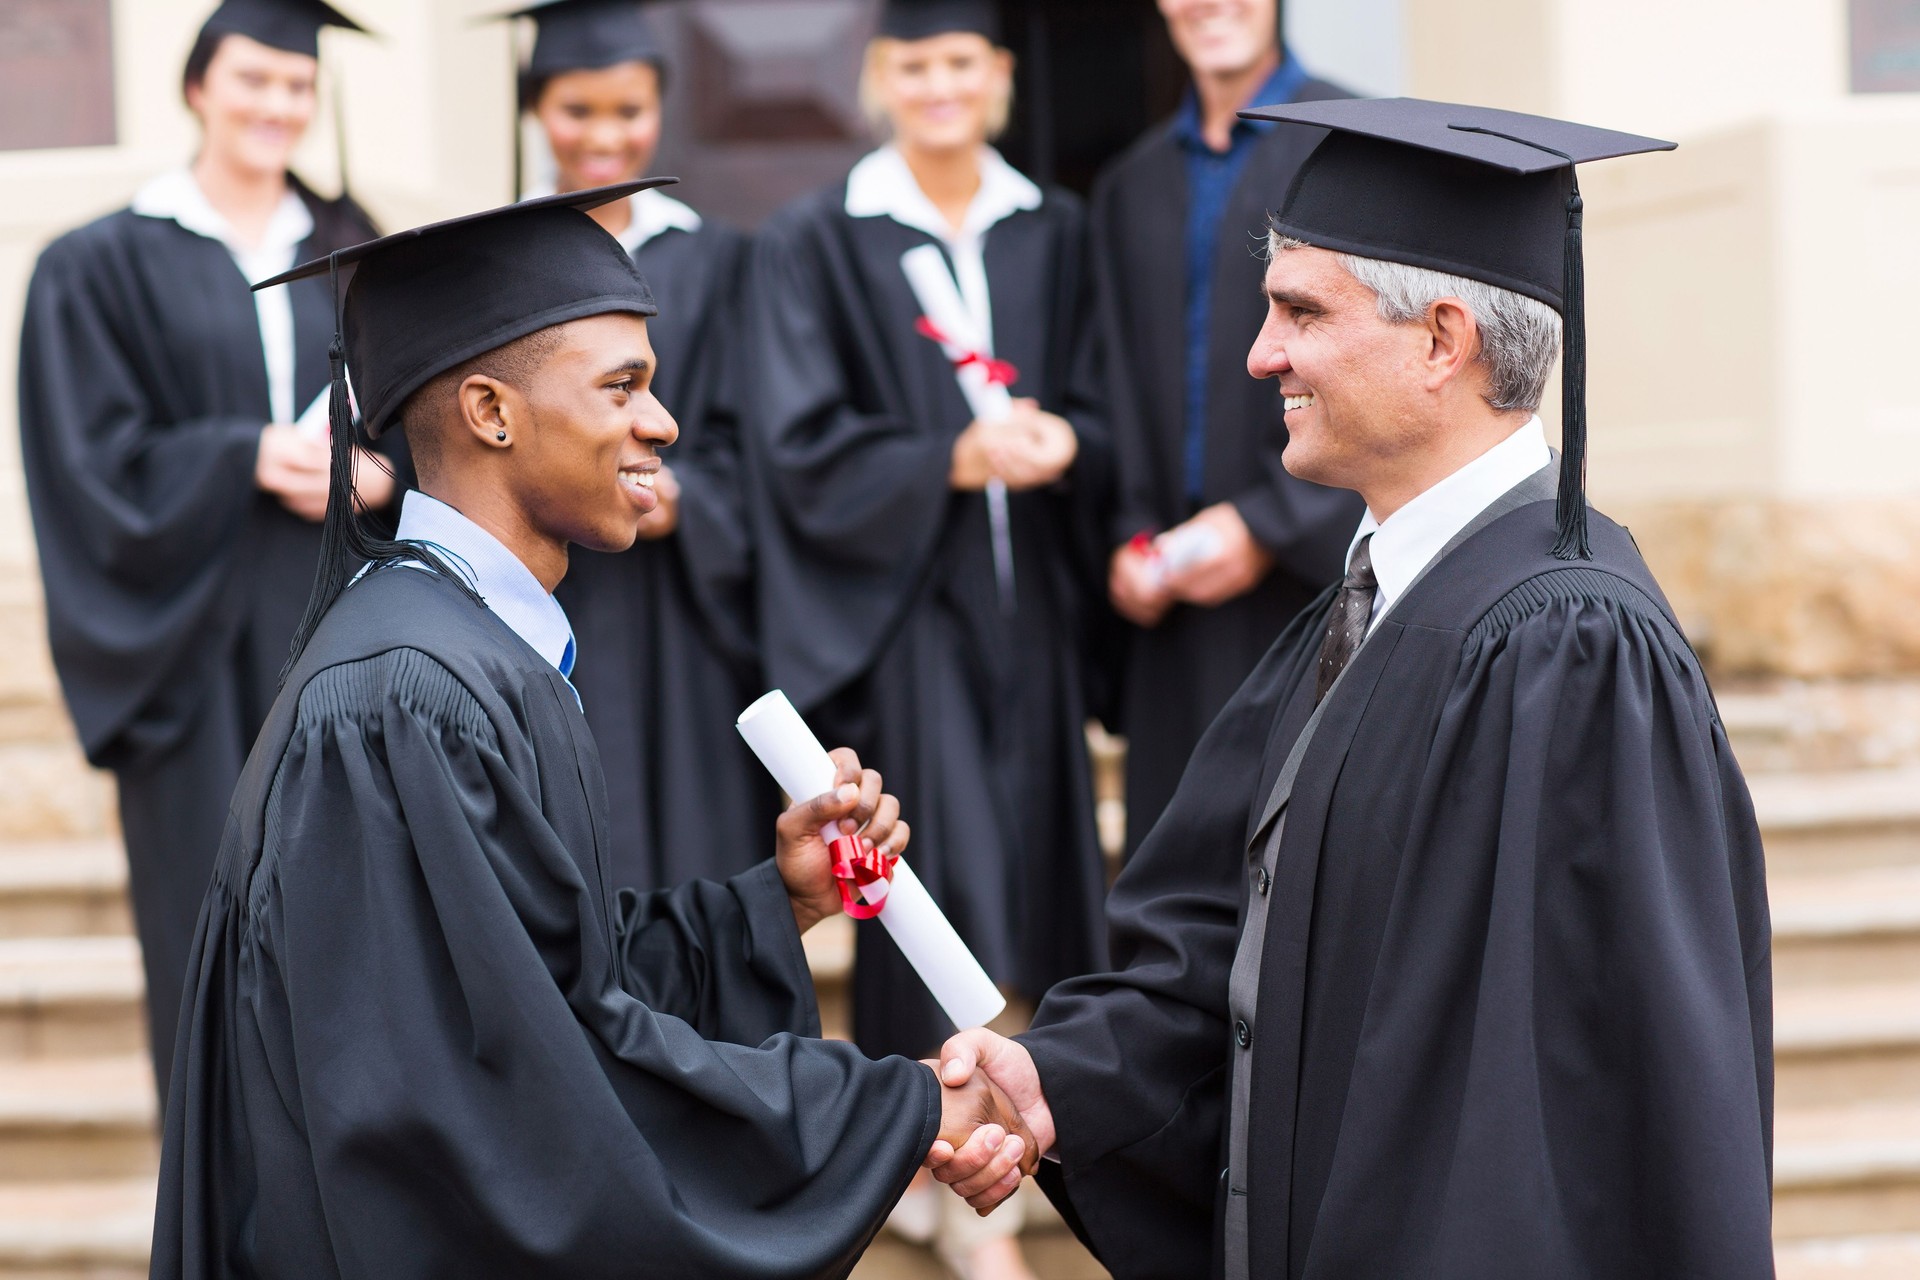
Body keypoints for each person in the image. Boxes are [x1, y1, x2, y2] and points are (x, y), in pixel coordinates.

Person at [930, 99, 1775, 1279]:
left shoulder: (1566, 650)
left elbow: (1544, 1132)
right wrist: (1056, 1078)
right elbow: (1226, 943)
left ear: (1441, 340)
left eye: (1299, 310)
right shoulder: (1373, 605)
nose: (1259, 353)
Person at [151, 181, 1040, 1277]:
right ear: (491, 412)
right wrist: (898, 1108)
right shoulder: (399, 701)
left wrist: (776, 901)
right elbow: (514, 1100)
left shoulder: (467, 652)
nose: (662, 421)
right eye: (623, 386)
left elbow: (545, 983)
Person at [744, 3, 1108, 1272]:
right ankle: (939, 1167)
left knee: (1042, 885)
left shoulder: (1053, 228)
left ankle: (1016, 1139)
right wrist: (950, 455)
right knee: (929, 895)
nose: (941, 84)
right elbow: (795, 443)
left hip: (1035, 615)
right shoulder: (816, 239)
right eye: (915, 64)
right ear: (876, 77)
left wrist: (1072, 444)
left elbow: (1104, 399)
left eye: (963, 62)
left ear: (1000, 76)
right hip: (906, 626)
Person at [15, 0, 399, 1103]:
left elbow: (411, 422)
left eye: (296, 86)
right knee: (210, 938)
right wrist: (243, 455)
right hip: (192, 655)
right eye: (253, 81)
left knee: (356, 928)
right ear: (197, 88)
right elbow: (85, 464)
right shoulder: (101, 262)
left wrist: (380, 473)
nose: (278, 105)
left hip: (341, 646)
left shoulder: (352, 245)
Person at [504, 0, 771, 893]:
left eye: (629, 111)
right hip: (546, 604)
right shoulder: (493, 263)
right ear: (538, 110)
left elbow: (763, 439)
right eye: (578, 111)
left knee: (693, 853)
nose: (604, 136)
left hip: (684, 616)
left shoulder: (721, 260)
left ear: (662, 112)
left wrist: (687, 497)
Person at [1093, 0, 1363, 856]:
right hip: (1173, 601)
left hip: (1313, 580)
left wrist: (1266, 524)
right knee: (1177, 870)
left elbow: (1386, 360)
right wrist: (1129, 535)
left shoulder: (1351, 144)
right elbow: (1109, 381)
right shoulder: (1130, 186)